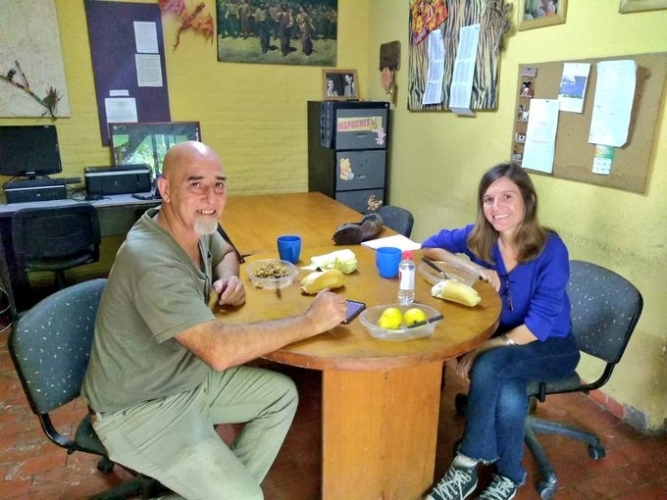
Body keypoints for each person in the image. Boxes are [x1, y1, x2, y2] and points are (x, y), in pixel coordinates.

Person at [82, 141, 348, 499]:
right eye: (196, 183)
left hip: (183, 377)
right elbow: (218, 350)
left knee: (281, 396)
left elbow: (226, 251)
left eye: (219, 184)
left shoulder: (192, 229)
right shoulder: (152, 259)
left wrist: (230, 278)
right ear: (165, 190)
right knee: (247, 497)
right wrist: (310, 321)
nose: (211, 196)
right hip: (136, 409)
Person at [422, 163, 580, 500]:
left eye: (507, 197)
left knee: (491, 366)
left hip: (551, 345)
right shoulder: (482, 240)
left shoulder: (551, 249)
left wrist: (483, 347)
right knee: (508, 393)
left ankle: (466, 464)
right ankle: (509, 476)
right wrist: (472, 265)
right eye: (488, 199)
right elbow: (429, 247)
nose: (497, 208)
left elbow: (537, 326)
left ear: (528, 201)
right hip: (509, 345)